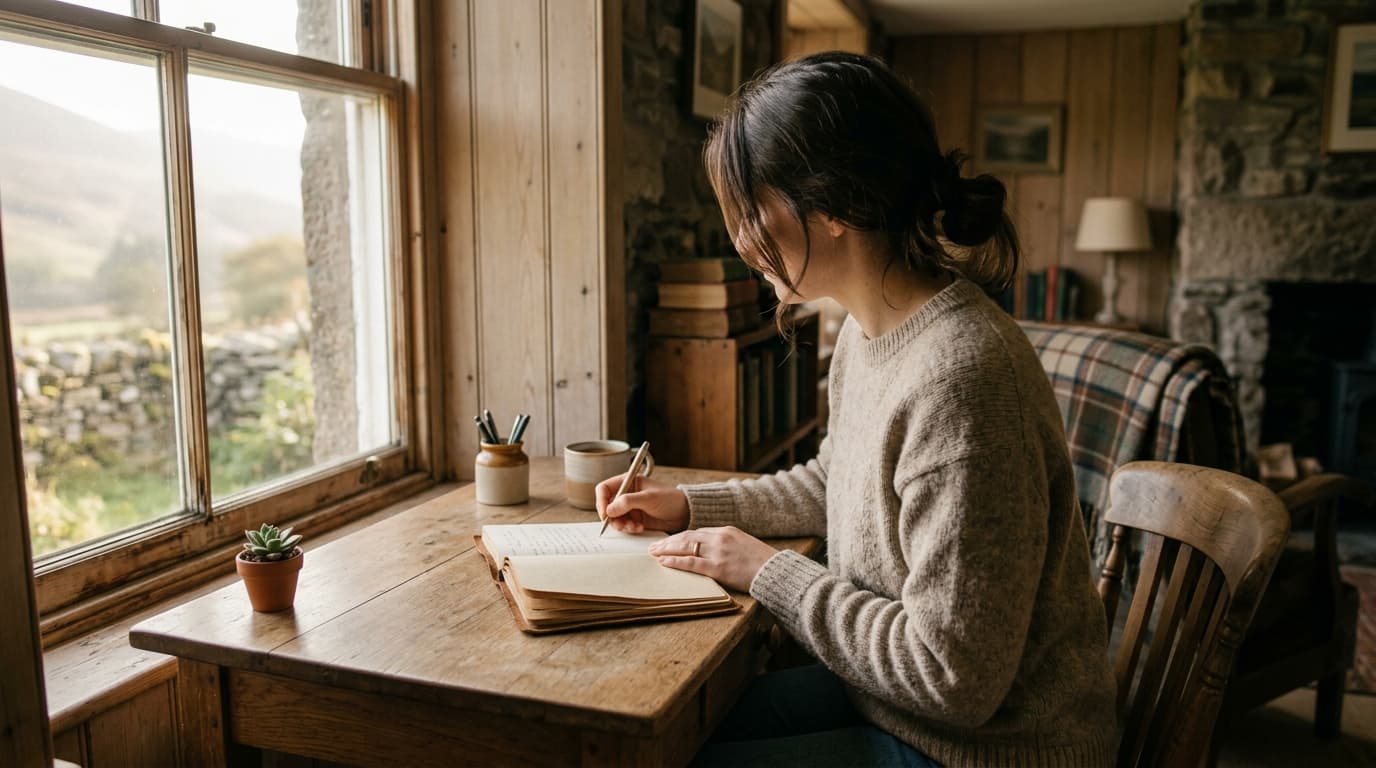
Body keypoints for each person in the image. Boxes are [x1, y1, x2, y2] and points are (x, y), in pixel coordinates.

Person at [597, 52, 1117, 767]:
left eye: (753, 210)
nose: (740, 239)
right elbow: (835, 479)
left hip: (987, 747)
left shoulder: (963, 378)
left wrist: (766, 572)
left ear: (836, 205)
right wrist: (688, 506)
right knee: (655, 738)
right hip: (891, 704)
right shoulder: (868, 335)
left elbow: (954, 678)